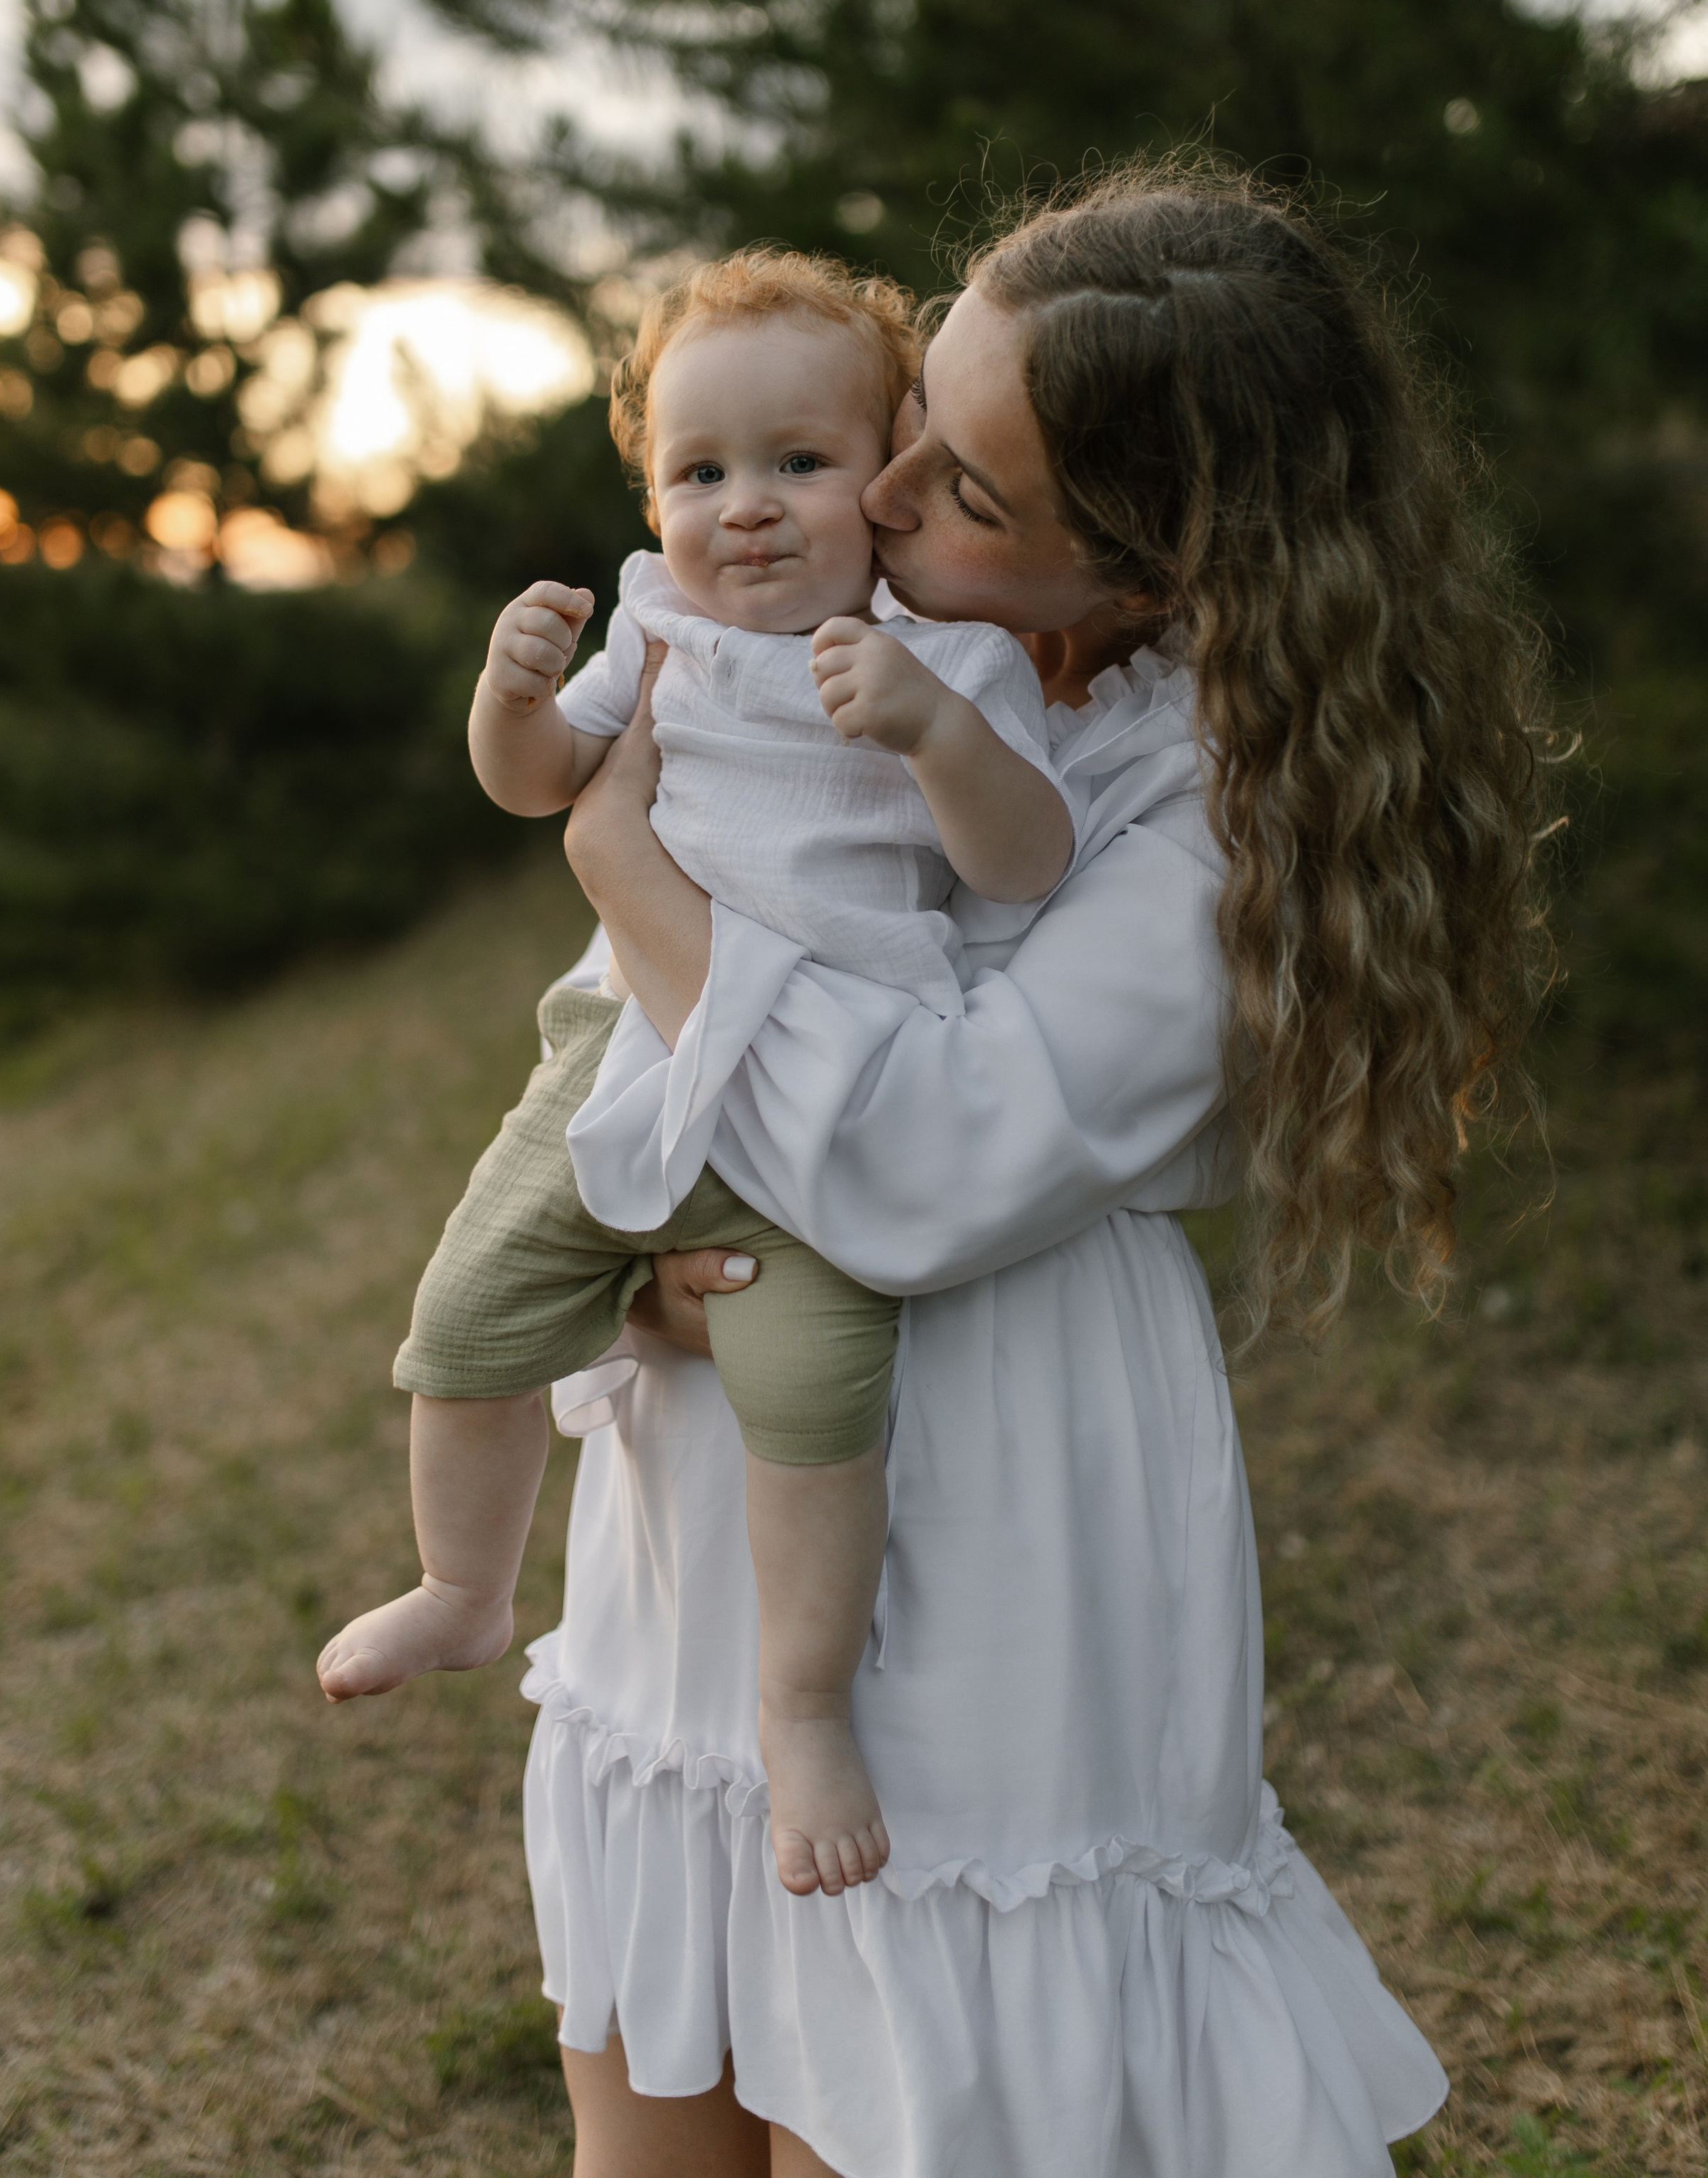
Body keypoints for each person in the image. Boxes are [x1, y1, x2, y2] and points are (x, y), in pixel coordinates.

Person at [531, 165, 1550, 2177]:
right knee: (663, 2046)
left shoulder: (1214, 805)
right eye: (918, 420)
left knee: (906, 2063)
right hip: (723, 1419)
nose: (885, 502)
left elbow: (921, 1157)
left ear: (1153, 571)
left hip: (999, 1483)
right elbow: (645, 1000)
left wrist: (619, 866)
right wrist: (619, 1232)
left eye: (968, 491)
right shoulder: (852, 601)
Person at [316, 251, 1074, 1900]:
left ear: (883, 474)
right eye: (697, 472)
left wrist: (935, 738)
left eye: (797, 463)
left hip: (826, 1094)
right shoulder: (650, 627)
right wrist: (506, 701)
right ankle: (462, 1584)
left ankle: (803, 1709)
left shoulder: (945, 659)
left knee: (814, 1405)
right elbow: (538, 791)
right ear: (649, 492)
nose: (744, 508)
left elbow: (1023, 868)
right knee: (463, 1321)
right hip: (629, 1053)